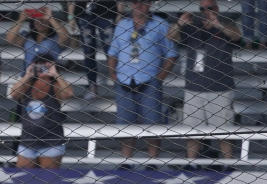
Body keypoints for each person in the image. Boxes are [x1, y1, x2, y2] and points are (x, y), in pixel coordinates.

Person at [170, 0, 240, 163]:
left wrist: (218, 24)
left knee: (224, 133)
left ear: (217, 9)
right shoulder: (192, 27)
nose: (205, 11)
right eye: (202, 9)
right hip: (194, 88)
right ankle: (191, 164)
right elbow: (171, 36)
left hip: (220, 88)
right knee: (192, 133)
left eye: (209, 8)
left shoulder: (226, 25)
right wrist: (179, 24)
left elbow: (237, 35)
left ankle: (228, 165)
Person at [107, 0, 178, 161]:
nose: (139, 6)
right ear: (131, 5)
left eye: (144, 2)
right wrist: (113, 74)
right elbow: (112, 52)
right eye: (136, 2)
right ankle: (126, 161)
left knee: (152, 125)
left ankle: (152, 161)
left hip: (149, 81)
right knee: (125, 125)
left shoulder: (161, 24)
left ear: (150, 4)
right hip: (124, 80)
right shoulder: (122, 25)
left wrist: (159, 78)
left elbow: (172, 54)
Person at [9, 54, 73, 168]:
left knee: (48, 179)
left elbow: (69, 94)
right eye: (39, 66)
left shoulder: (55, 86)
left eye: (46, 67)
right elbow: (13, 94)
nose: (42, 69)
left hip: (52, 141)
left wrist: (55, 74)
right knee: (22, 178)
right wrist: (27, 75)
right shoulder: (27, 85)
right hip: (28, 141)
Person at [67, 0, 118, 99]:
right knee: (88, 51)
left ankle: (118, 84)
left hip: (106, 11)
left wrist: (119, 12)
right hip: (84, 12)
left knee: (110, 50)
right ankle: (92, 86)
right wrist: (70, 16)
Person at [5, 6, 70, 68]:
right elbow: (10, 39)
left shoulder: (55, 37)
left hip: (48, 76)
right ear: (33, 22)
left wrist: (50, 18)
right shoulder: (27, 36)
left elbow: (66, 36)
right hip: (29, 75)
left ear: (50, 23)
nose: (40, 22)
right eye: (37, 20)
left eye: (43, 20)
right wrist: (21, 20)